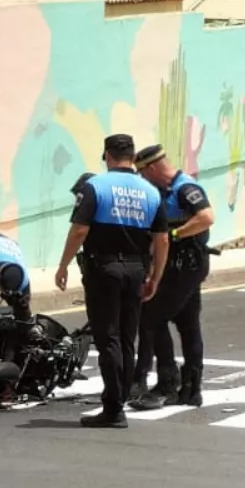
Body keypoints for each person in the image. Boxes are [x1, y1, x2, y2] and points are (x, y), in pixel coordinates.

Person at [55, 134, 168, 428]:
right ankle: (120, 402)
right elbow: (162, 239)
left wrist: (63, 264)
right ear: (132, 155)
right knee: (128, 338)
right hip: (135, 270)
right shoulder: (151, 192)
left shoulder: (96, 186)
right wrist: (155, 276)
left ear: (107, 155)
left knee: (108, 338)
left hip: (104, 269)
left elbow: (80, 231)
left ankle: (113, 407)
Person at [130, 144, 217, 410]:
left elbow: (206, 217)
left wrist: (175, 235)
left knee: (150, 318)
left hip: (186, 266)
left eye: (143, 172)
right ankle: (192, 388)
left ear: (152, 168)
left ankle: (168, 383)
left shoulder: (184, 188)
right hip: (182, 266)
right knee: (188, 323)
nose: (142, 178)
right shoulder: (164, 190)